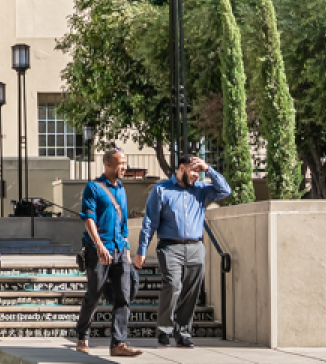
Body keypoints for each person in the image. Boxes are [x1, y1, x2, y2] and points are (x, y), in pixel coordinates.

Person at [136, 152, 231, 348]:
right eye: (194, 170)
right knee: (173, 285)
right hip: (170, 246)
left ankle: (183, 332)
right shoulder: (161, 189)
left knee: (191, 291)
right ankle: (164, 329)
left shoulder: (202, 190)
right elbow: (149, 222)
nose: (197, 175)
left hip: (196, 247)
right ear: (181, 168)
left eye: (199, 171)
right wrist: (142, 249)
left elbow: (225, 191)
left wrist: (208, 169)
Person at [75, 148, 142, 357]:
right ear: (108, 165)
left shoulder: (122, 189)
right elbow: (89, 219)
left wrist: (127, 249)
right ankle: (82, 335)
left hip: (119, 250)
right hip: (99, 251)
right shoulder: (93, 188)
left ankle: (118, 343)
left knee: (124, 296)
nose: (124, 167)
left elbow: (122, 224)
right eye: (120, 163)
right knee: (94, 294)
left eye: (125, 162)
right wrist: (99, 246)